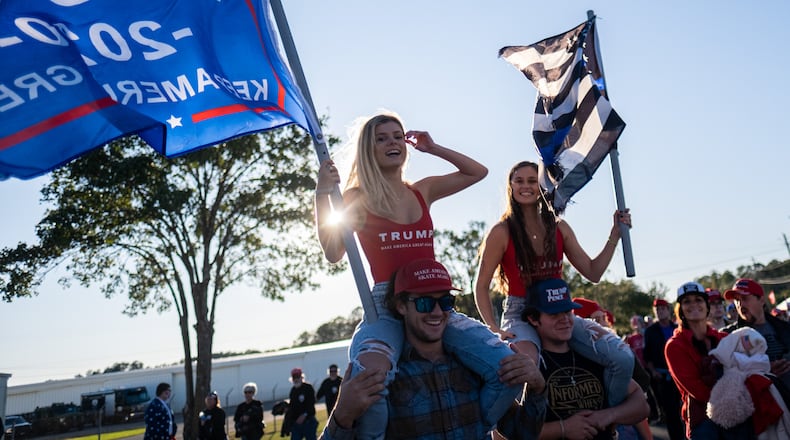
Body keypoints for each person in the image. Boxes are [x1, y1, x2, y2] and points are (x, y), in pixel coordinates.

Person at [314, 112, 520, 438]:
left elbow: (477, 172)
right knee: (371, 379)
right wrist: (322, 194)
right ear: (368, 149)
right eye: (381, 138)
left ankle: (477, 429)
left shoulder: (422, 191)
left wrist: (433, 147)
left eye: (397, 136)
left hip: (434, 303)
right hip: (385, 304)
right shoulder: (355, 197)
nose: (392, 142)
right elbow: (333, 252)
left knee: (508, 368)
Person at [319, 258, 548, 440]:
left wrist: (537, 387)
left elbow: (522, 433)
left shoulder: (475, 366)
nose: (437, 312)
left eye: (446, 301)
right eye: (424, 302)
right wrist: (342, 416)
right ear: (400, 306)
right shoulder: (383, 375)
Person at [474, 160, 634, 407]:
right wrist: (493, 328)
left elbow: (593, 272)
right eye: (519, 181)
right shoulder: (502, 231)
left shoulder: (559, 226)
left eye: (532, 181)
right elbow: (481, 284)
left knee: (623, 358)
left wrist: (615, 233)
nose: (526, 186)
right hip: (521, 313)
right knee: (524, 366)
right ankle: (531, 429)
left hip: (560, 309)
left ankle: (606, 422)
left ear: (542, 187)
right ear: (511, 187)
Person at [521, 278, 649, 439]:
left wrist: (609, 415)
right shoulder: (532, 362)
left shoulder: (595, 354)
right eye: (554, 314)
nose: (565, 320)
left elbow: (642, 406)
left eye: (568, 312)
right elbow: (505, 432)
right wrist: (563, 428)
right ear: (533, 319)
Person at [664, 282, 729, 438]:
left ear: (707, 306)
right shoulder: (674, 346)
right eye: (687, 301)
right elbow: (697, 390)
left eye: (698, 300)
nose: (693, 304)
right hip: (703, 421)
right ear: (680, 310)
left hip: (735, 414)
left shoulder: (724, 338)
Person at [722, 278, 790, 389]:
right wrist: (764, 370)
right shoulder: (729, 335)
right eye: (737, 300)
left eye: (744, 298)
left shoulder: (784, 328)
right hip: (758, 401)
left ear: (761, 300)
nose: (740, 304)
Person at [642, 298, 683, 440]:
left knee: (685, 410)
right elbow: (647, 355)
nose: (660, 312)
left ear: (669, 310)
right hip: (662, 377)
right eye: (657, 309)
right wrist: (653, 372)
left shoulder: (677, 328)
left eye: (663, 309)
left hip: (681, 375)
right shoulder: (650, 331)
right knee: (670, 412)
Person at [284, 368, 318, 440]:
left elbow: (311, 403)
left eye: (298, 377)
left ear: (302, 377)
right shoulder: (293, 390)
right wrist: (286, 408)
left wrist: (304, 415)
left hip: (308, 421)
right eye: (294, 377)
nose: (296, 379)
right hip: (296, 423)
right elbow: (293, 406)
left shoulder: (308, 387)